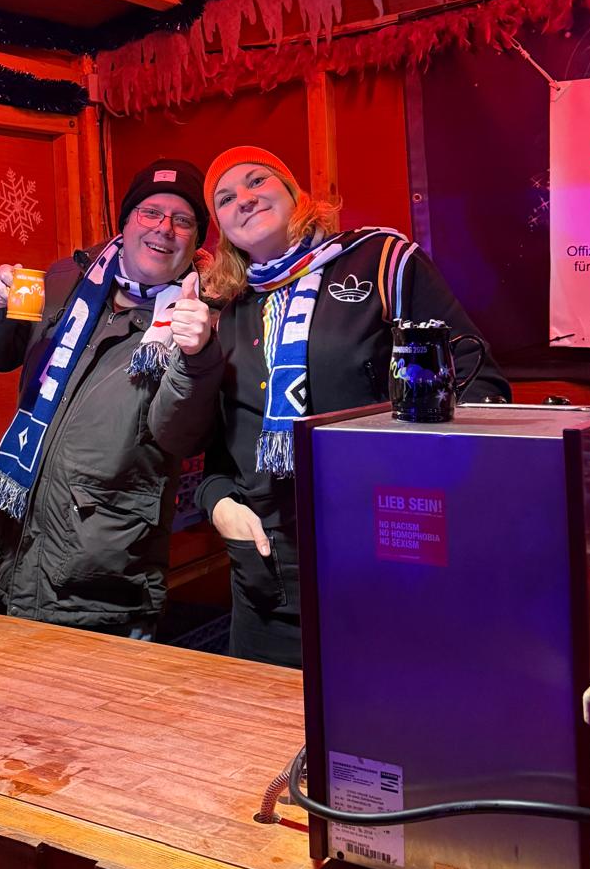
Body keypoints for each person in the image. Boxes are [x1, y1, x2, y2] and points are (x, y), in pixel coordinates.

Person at [196, 146, 510, 669]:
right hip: (271, 570)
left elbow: (478, 384)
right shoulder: (225, 307)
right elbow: (220, 443)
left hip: (382, 554)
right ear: (222, 229)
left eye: (257, 180)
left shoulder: (381, 260)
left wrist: (422, 498)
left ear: (294, 192)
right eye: (225, 199)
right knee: (262, 712)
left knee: (394, 705)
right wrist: (219, 504)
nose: (244, 199)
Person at [0, 159, 222, 637]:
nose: (164, 228)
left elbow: (181, 432)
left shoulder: (200, 317)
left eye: (182, 220)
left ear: (196, 240)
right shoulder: (68, 279)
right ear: (125, 220)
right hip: (10, 550)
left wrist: (196, 355)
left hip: (104, 578)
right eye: (150, 212)